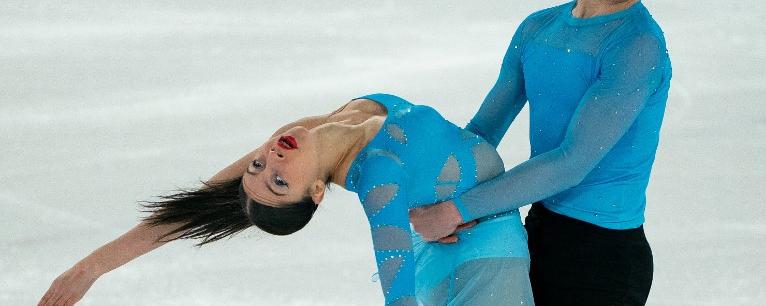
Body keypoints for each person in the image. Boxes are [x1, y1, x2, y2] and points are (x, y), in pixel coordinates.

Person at [38, 94, 533, 306]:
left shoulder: (302, 135)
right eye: (280, 181)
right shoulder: (379, 176)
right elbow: (394, 278)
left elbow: (193, 210)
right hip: (479, 256)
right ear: (317, 192)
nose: (270, 160)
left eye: (259, 167)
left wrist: (86, 270)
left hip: (459, 240)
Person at [409, 1, 672, 305]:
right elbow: (481, 134)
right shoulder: (538, 27)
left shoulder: (638, 44)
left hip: (603, 259)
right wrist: (429, 197)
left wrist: (455, 211)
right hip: (538, 235)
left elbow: (572, 163)